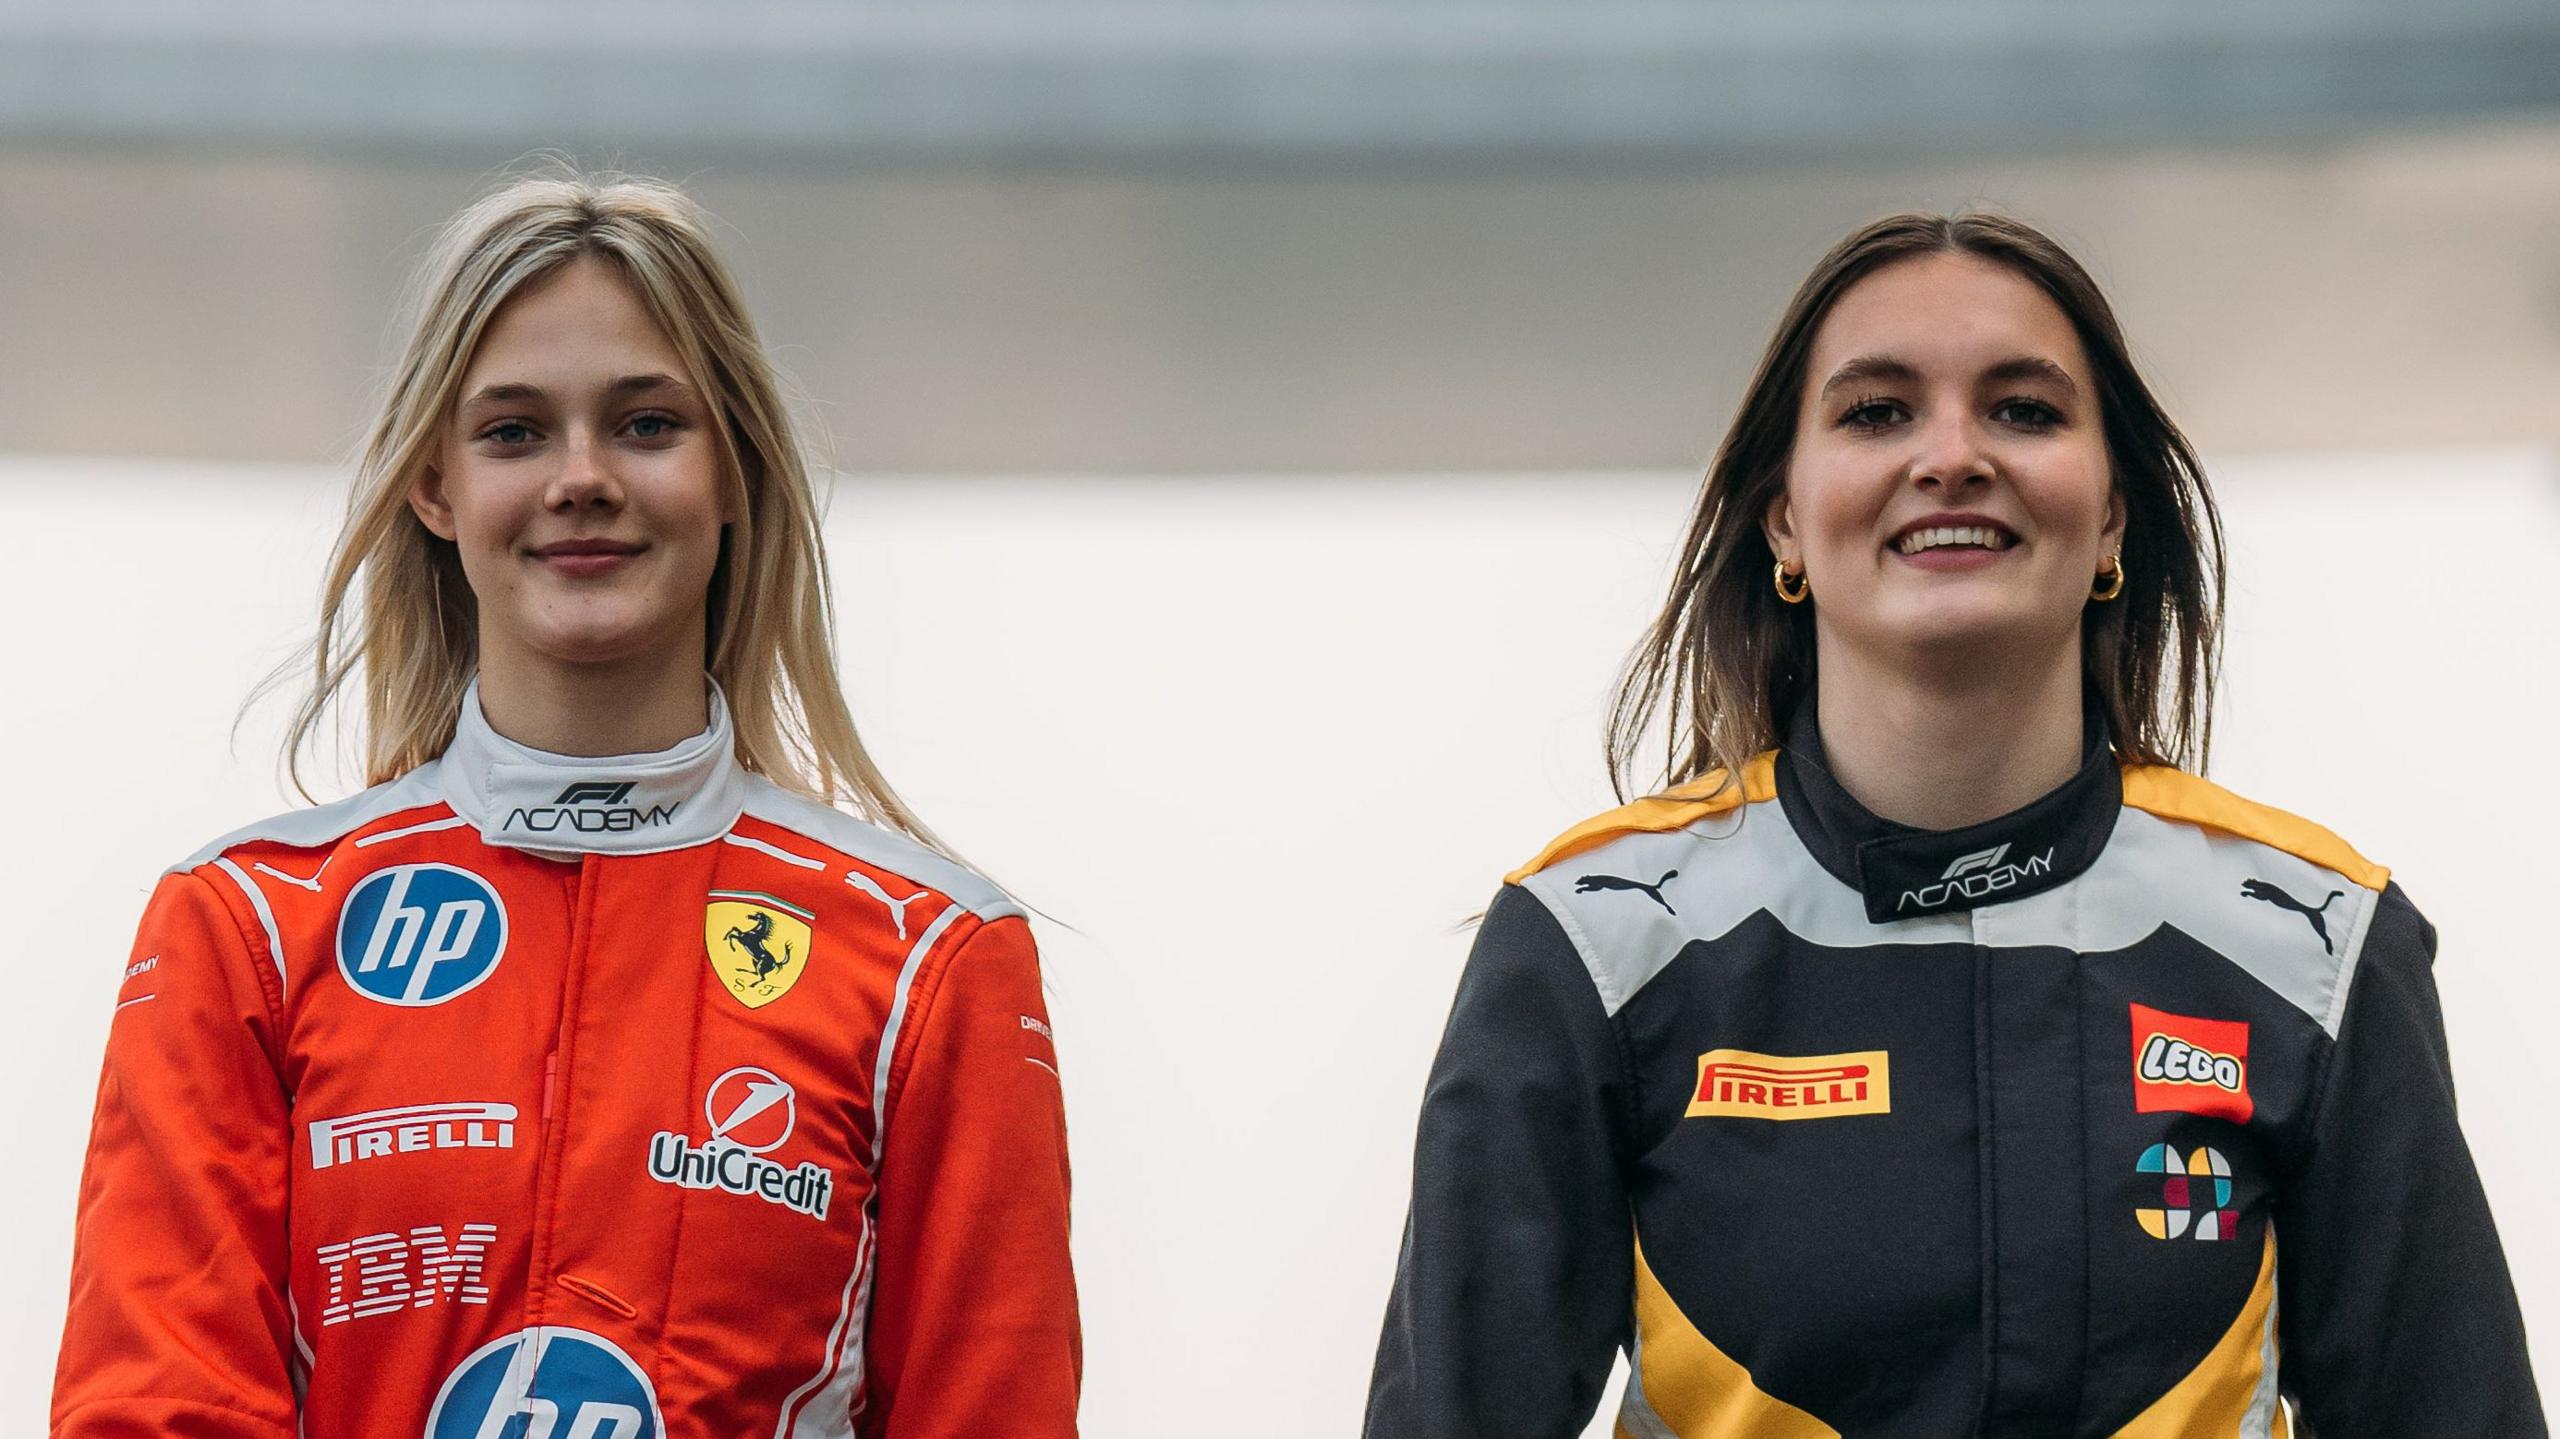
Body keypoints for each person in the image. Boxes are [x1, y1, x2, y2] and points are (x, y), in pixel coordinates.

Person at [1364, 213, 2544, 1437]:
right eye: (1877, 411)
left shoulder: (2318, 943)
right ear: (1783, 520)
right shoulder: (1591, 942)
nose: (1951, 455)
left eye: (2023, 410)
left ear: (2112, 522)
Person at [52, 171, 1079, 1439]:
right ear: (434, 487)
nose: (581, 477)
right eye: (514, 431)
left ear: (737, 471)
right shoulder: (248, 929)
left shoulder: (935, 960)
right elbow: (158, 1411)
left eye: (647, 424)